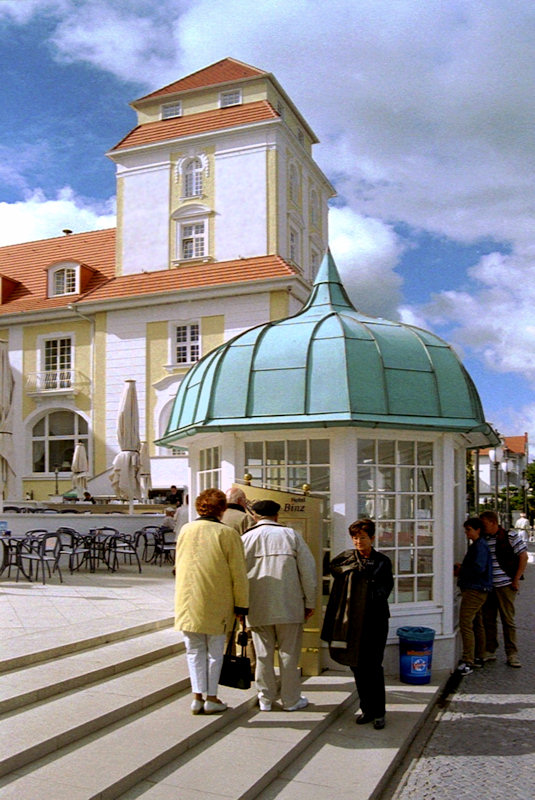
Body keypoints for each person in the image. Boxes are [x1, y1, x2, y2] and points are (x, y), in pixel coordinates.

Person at [174, 488, 249, 714]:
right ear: (222, 509)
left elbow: (178, 565)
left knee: (193, 649)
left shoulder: (186, 529)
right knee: (215, 651)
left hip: (188, 599)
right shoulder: (227, 534)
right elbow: (239, 573)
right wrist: (241, 605)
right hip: (217, 600)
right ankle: (212, 697)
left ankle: (197, 696)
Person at [241, 499, 316, 712]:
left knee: (263, 654)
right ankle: (291, 699)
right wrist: (310, 602)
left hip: (257, 606)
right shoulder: (291, 536)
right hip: (290, 605)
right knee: (289, 654)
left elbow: (237, 575)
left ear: (255, 516)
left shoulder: (246, 538)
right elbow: (308, 573)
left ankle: (265, 698)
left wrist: (239, 607)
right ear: (277, 515)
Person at [321, 518, 393, 730]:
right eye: (355, 538)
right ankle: (367, 709)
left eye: (362, 537)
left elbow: (386, 588)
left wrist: (365, 590)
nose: (358, 541)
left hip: (374, 621)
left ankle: (379, 712)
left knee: (373, 667)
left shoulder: (382, 561)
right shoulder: (345, 558)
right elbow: (333, 568)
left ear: (372, 538)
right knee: (357, 666)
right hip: (351, 622)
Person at [480, 510, 528, 668]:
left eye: (485, 524)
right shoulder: (484, 539)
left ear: (493, 523)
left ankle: (512, 653)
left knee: (508, 620)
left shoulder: (510, 536)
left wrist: (516, 579)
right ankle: (490, 649)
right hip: (488, 585)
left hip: (505, 584)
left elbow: (523, 556)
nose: (483, 527)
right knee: (488, 619)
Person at [454, 518, 493, 675]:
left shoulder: (480, 546)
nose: (466, 533)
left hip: (475, 589)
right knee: (477, 623)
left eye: (469, 529)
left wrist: (461, 570)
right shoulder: (479, 545)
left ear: (478, 530)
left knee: (466, 623)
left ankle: (468, 660)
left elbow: (478, 568)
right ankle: (479, 656)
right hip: (478, 587)